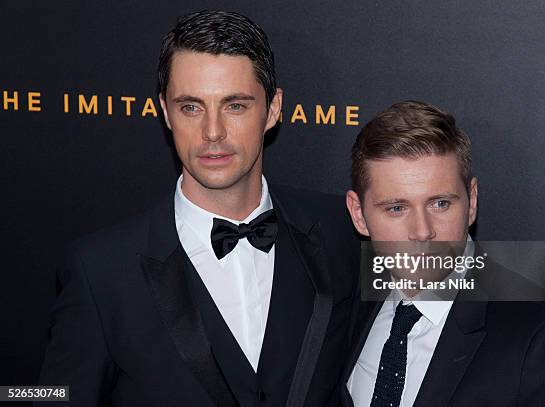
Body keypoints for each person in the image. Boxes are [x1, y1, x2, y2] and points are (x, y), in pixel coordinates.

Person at [37, 10, 358, 407]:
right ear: (166, 112)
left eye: (235, 105)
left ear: (273, 109)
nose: (212, 131)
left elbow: (441, 284)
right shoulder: (98, 272)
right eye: (191, 107)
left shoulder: (342, 228)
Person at [341, 100, 545, 406]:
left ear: (471, 202)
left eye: (440, 203)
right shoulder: (340, 308)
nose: (422, 231)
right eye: (396, 208)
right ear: (359, 215)